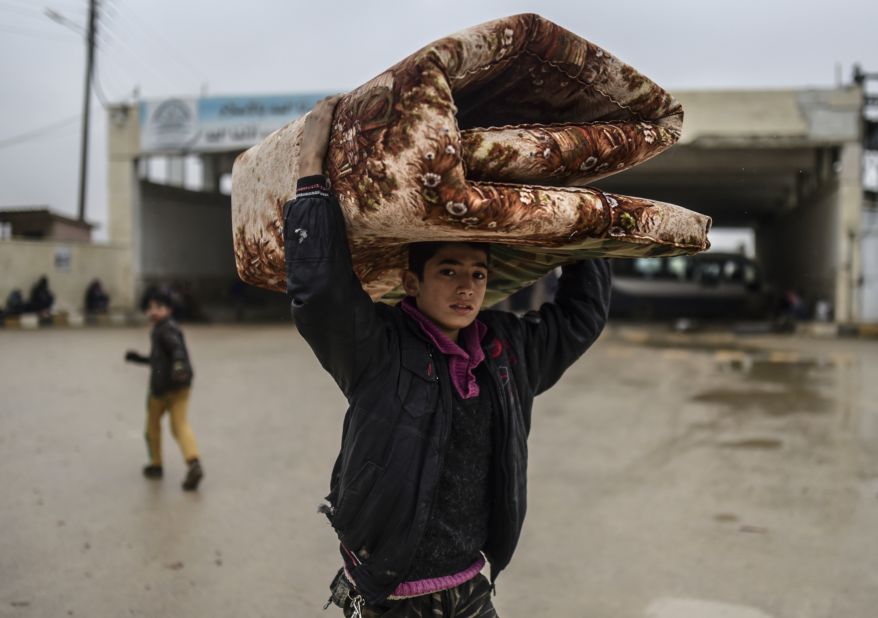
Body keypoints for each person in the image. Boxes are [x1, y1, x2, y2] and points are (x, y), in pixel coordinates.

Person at [285, 98, 612, 615]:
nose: (467, 288)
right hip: (389, 596)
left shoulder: (506, 352)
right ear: (413, 281)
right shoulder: (379, 348)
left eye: (478, 274)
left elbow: (580, 318)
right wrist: (310, 175)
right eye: (449, 271)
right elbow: (321, 293)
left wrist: (579, 216)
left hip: (469, 589)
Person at [125, 290, 204, 491]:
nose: (153, 312)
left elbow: (176, 350)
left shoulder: (165, 330)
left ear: (169, 309)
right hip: (180, 386)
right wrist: (139, 359)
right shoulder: (165, 329)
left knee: (152, 428)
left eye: (158, 307)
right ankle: (193, 461)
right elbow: (158, 360)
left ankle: (156, 464)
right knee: (179, 426)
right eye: (150, 308)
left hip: (161, 390)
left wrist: (178, 365)